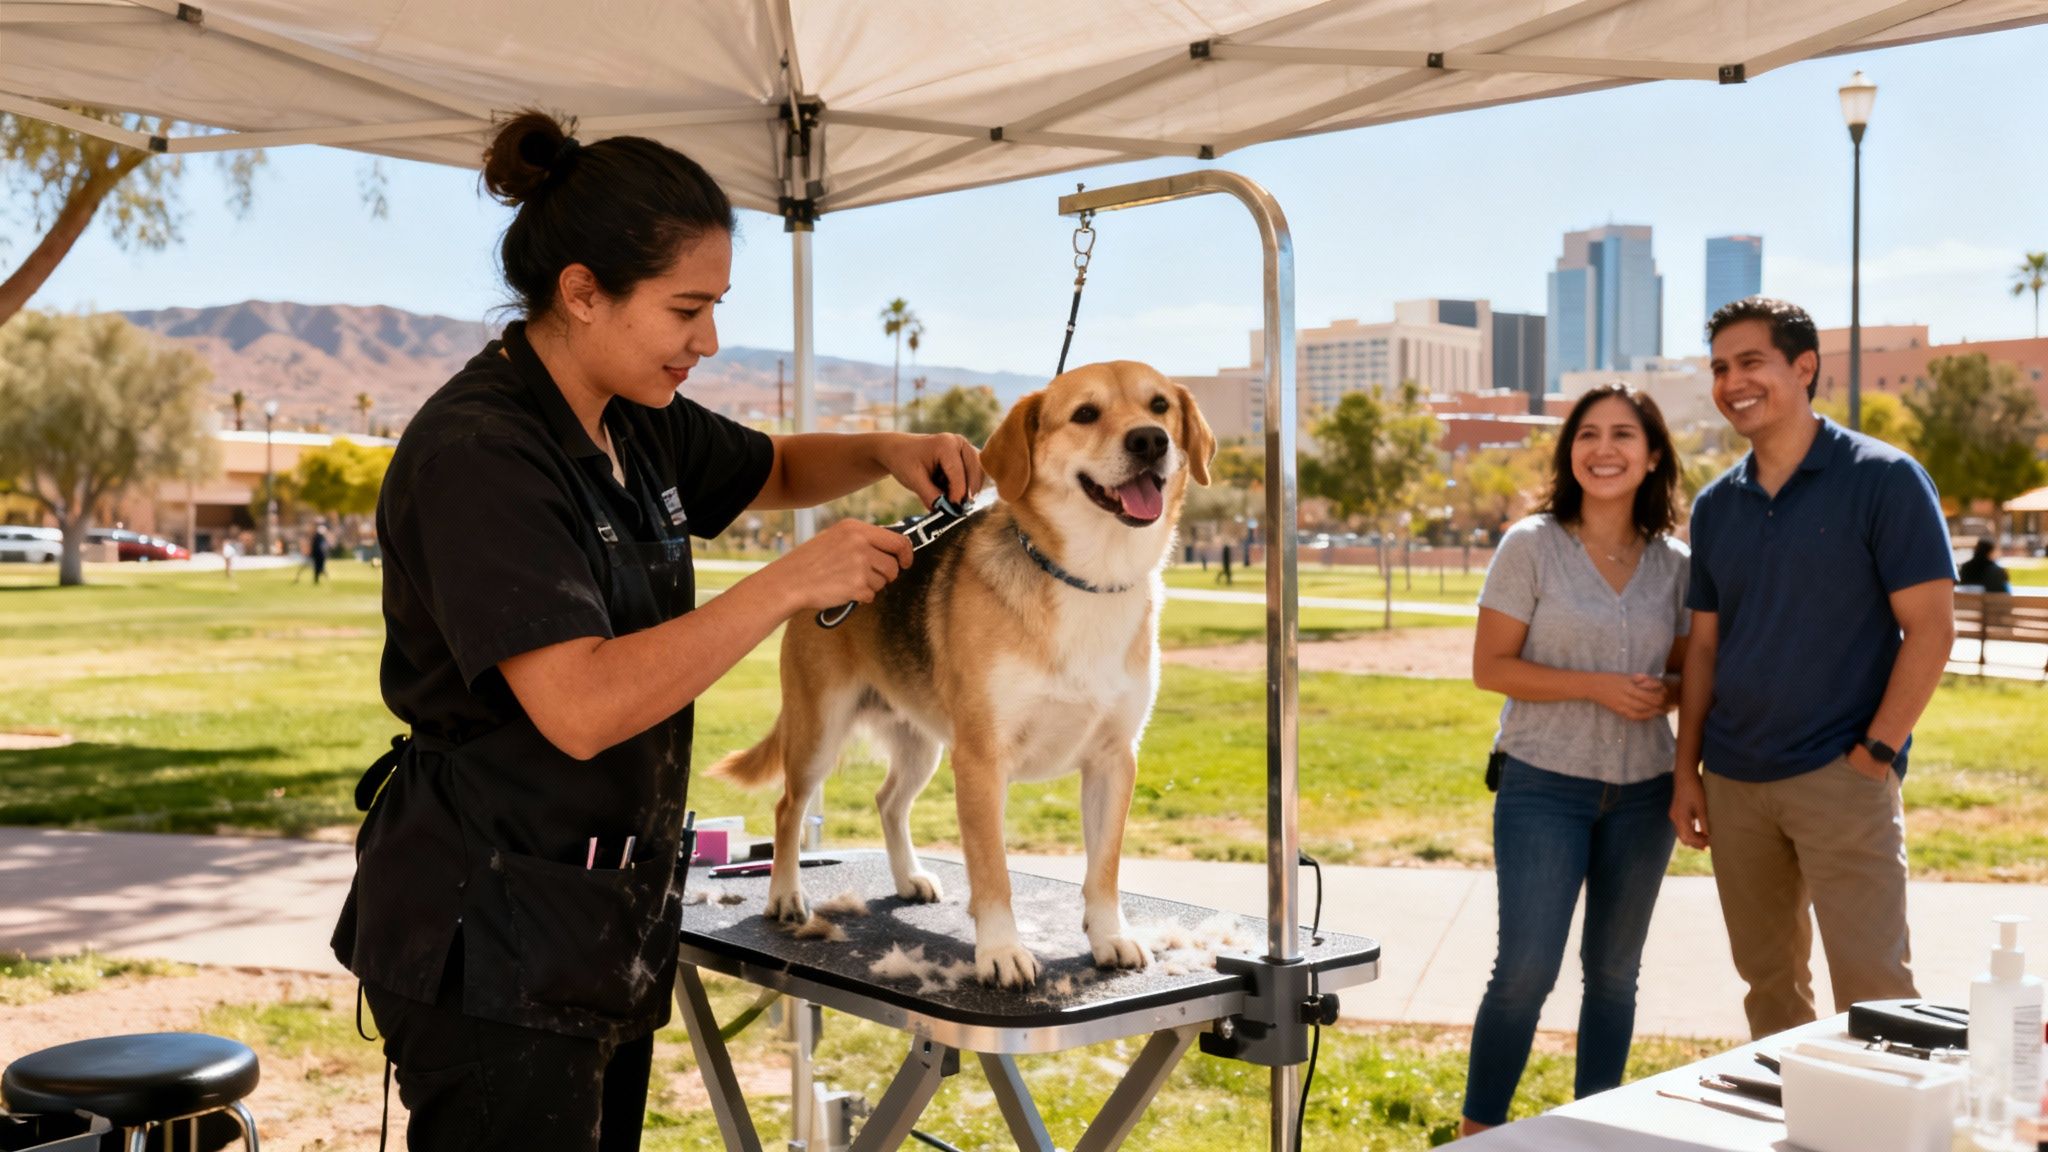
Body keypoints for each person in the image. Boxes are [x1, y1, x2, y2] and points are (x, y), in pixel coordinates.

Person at [330, 110, 983, 1152]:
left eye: (716, 306)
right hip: (491, 939)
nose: (709, 340)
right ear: (582, 291)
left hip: (593, 922)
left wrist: (880, 447)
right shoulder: (481, 455)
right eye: (687, 308)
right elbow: (581, 706)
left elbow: (765, 468)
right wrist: (783, 586)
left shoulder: (629, 410)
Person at [1672, 297, 1955, 1041]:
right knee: (1769, 990)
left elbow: (1930, 629)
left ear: (1804, 367)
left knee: (1876, 992)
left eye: (1751, 362)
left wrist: (1877, 753)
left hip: (1842, 775)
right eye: (1721, 367)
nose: (1733, 381)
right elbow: (1703, 649)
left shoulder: (1885, 479)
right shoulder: (1714, 507)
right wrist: (1687, 769)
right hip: (1734, 782)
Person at [1459, 383, 1690, 1136]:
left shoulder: (1677, 564)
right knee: (1525, 973)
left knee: (1615, 978)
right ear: (1570, 453)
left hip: (1644, 796)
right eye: (1588, 435)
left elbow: (1691, 674)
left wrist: (1669, 694)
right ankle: (1479, 1132)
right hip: (1542, 786)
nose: (1604, 450)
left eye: (1624, 435)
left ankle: (1596, 1130)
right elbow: (1491, 666)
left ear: (1652, 455)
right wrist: (1597, 688)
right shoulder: (1531, 545)